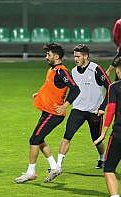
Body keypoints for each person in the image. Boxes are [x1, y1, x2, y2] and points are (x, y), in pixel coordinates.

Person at [15, 43, 80, 184]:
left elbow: (75, 89)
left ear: (56, 56)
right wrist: (40, 94)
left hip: (53, 114)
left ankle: (31, 172)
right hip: (48, 112)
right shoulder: (53, 70)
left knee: (34, 140)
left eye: (48, 54)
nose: (46, 57)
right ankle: (54, 167)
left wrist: (65, 106)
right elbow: (52, 87)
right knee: (40, 139)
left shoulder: (61, 71)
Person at [44, 44, 110, 182]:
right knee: (67, 136)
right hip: (78, 110)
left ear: (86, 56)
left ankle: (102, 158)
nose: (75, 59)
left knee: (96, 139)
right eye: (74, 56)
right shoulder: (73, 71)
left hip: (94, 111)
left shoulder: (96, 69)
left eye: (78, 56)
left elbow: (110, 87)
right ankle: (58, 166)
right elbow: (70, 90)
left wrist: (103, 106)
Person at [94, 57, 121, 197]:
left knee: (109, 169)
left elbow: (110, 110)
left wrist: (103, 133)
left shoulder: (115, 87)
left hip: (118, 134)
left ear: (118, 70)